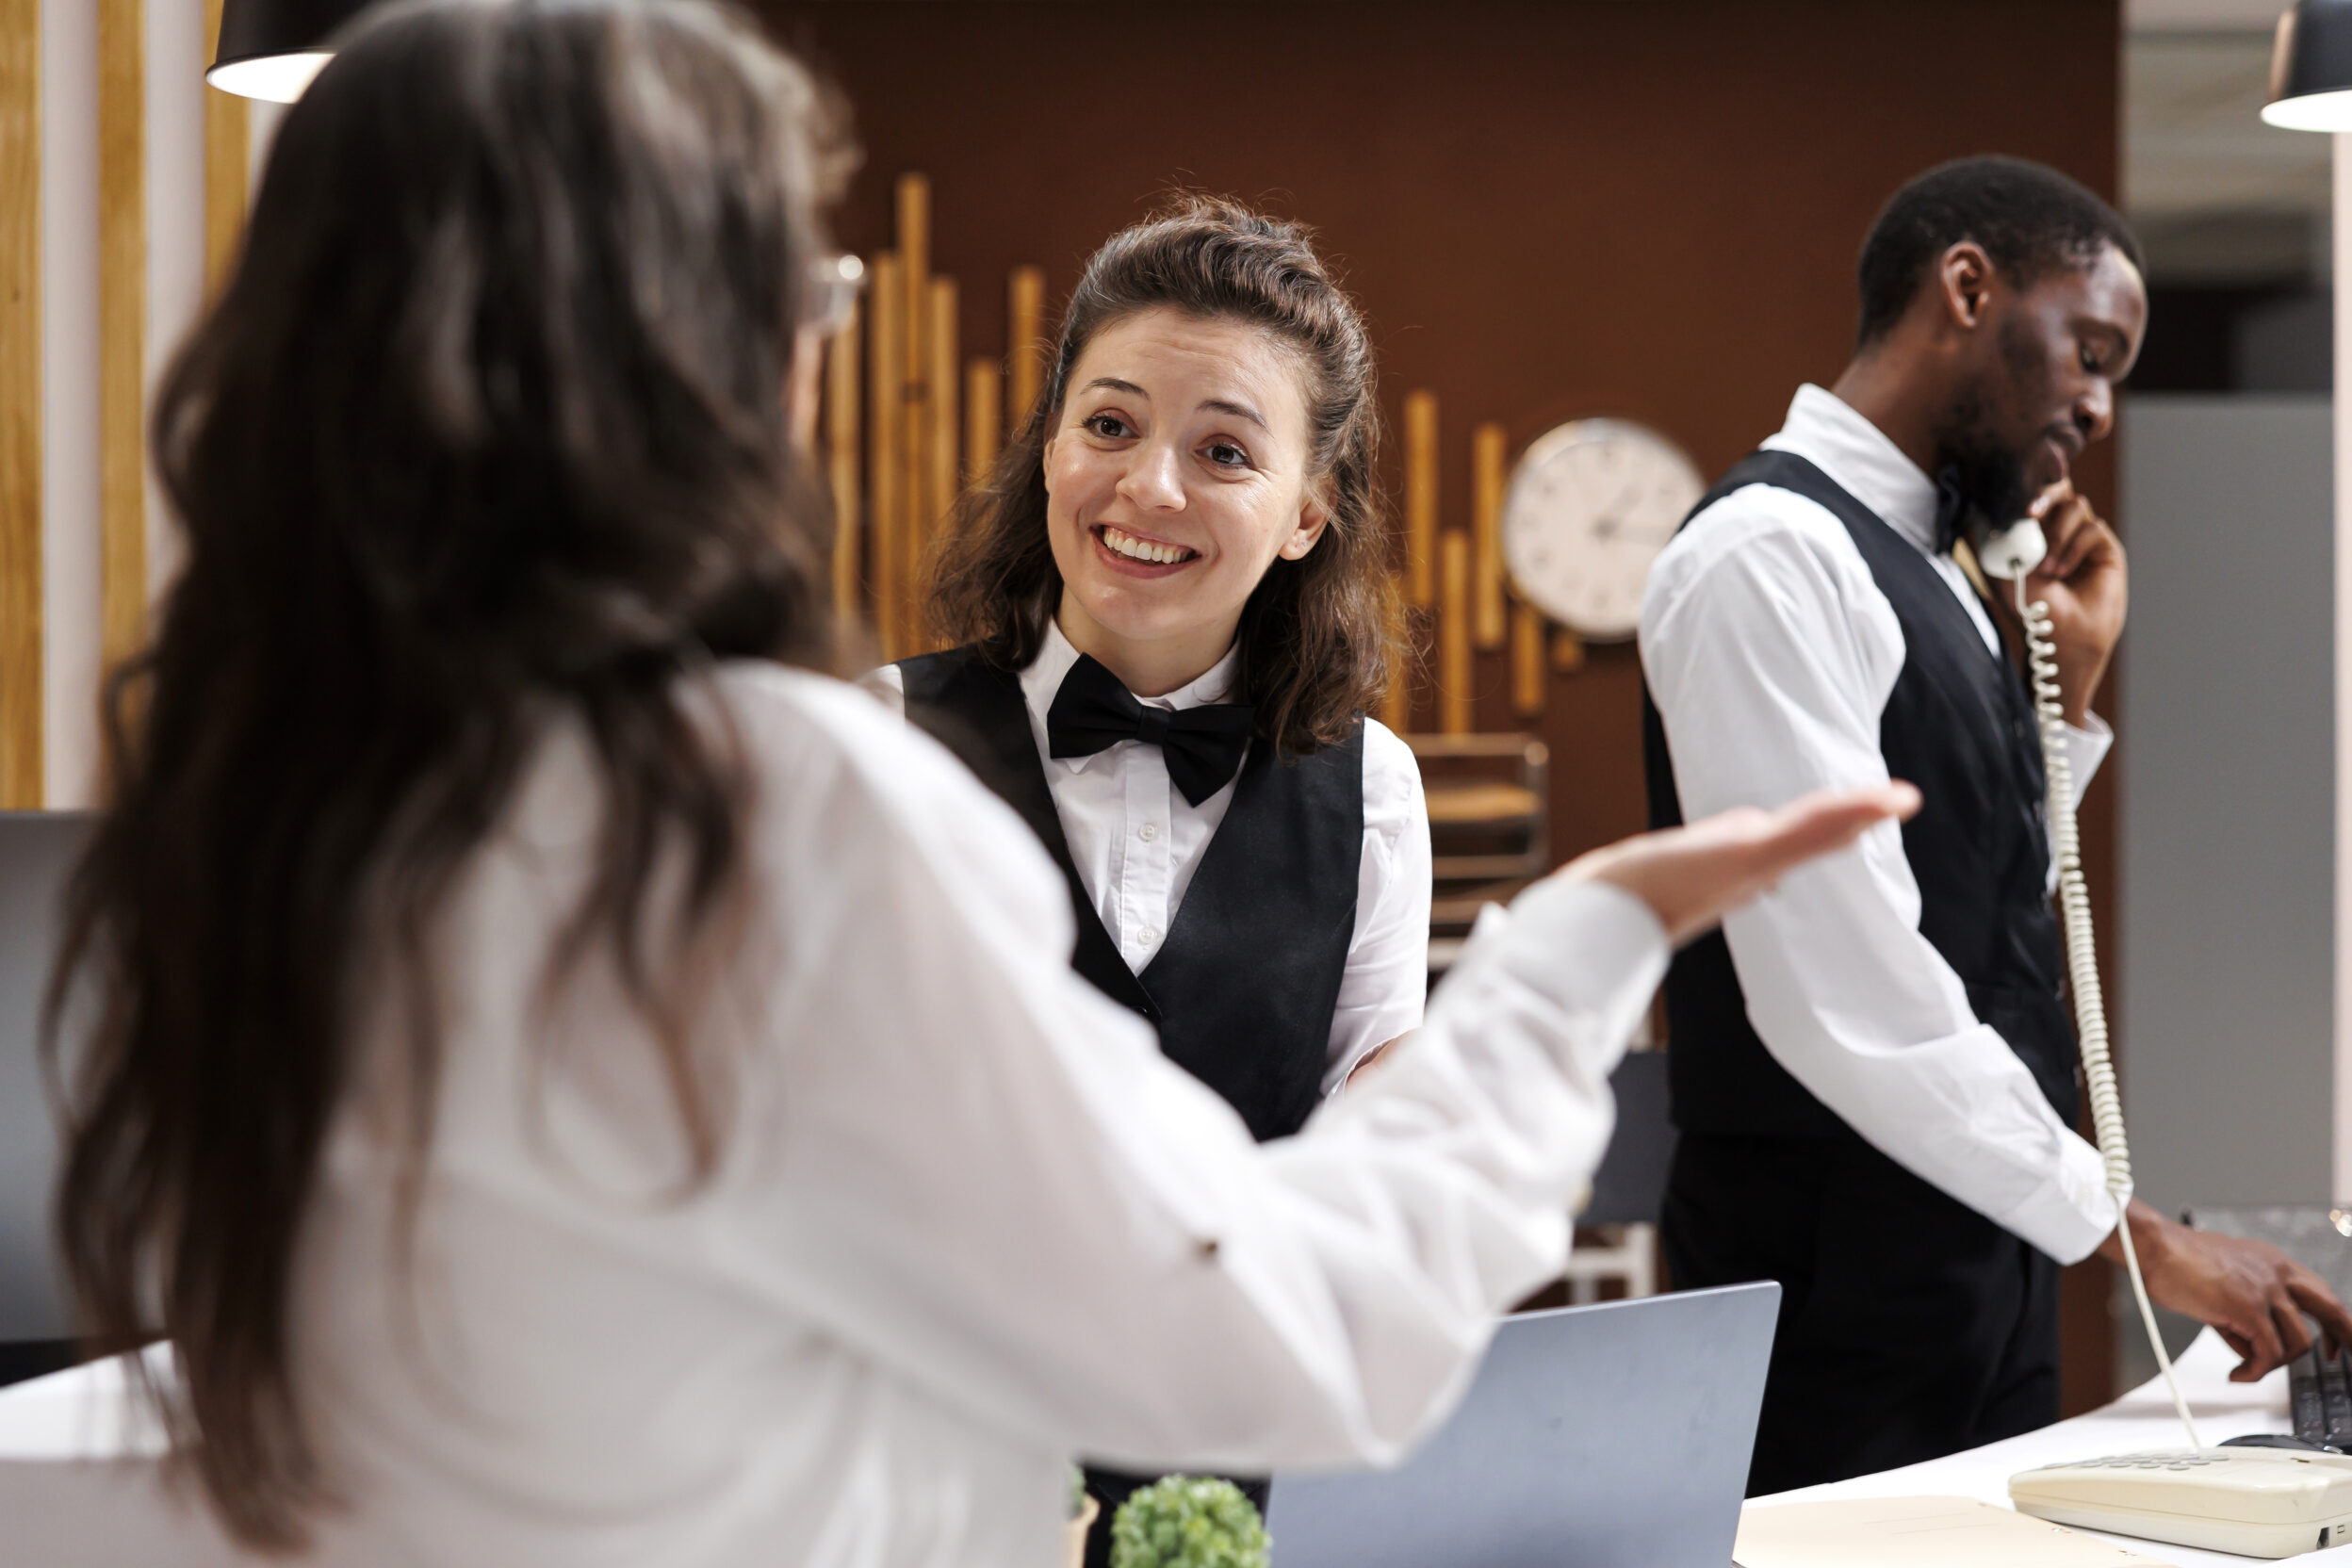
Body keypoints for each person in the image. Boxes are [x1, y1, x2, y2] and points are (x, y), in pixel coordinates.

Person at [45, 3, 1909, 1564]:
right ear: (675, 344)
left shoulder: (285, 803)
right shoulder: (781, 809)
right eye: (801, 281)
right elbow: (1284, 1335)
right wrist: (1577, 958)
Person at [1640, 155, 2352, 1496]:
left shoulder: (1942, 571)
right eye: (2092, 351)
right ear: (1967, 288)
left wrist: (2063, 699)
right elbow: (1850, 996)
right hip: (1830, 1302)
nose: (2099, 407)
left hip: (1977, 1268)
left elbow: (1969, 897)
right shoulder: (1770, 555)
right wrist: (2143, 1240)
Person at [861, 201, 1425, 1556]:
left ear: (1307, 513)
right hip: (939, 1462)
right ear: (1051, 446)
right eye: (1109, 424)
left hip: (1250, 1472)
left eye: (1224, 450)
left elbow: (1373, 1140)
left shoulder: (1374, 787)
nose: (1150, 487)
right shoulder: (878, 736)